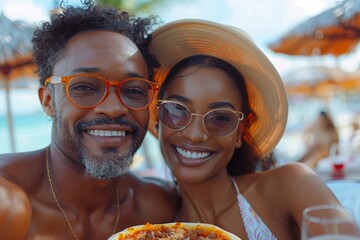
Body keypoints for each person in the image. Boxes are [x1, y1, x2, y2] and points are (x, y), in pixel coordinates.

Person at [148, 19, 342, 239]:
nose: (194, 134)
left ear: (241, 130)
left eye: (220, 118)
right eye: (177, 110)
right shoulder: (156, 233)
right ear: (158, 117)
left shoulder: (290, 186)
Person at [0, 2, 180, 239]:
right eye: (84, 86)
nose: (114, 108)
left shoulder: (159, 210)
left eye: (134, 90)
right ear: (48, 101)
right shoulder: (9, 203)